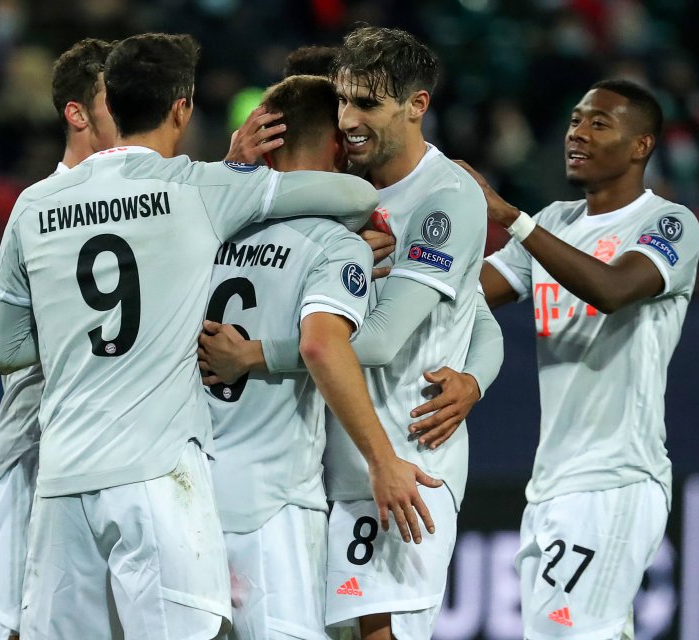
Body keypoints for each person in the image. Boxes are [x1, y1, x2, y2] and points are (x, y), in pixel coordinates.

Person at [0, 32, 380, 639]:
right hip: (156, 474)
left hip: (62, 480)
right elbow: (354, 193)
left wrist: (76, 335)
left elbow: (5, 350)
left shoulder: (34, 204)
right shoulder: (199, 189)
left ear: (108, 106)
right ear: (182, 107)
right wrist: (238, 175)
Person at [200, 27, 499, 640]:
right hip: (323, 464)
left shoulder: (445, 198)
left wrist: (256, 355)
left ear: (416, 105)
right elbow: (480, 316)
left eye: (367, 104)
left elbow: (385, 339)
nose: (350, 120)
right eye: (343, 101)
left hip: (398, 465)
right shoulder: (342, 194)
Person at [468, 79, 699, 640]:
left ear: (641, 145)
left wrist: (511, 218)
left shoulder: (668, 223)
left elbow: (614, 288)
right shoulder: (556, 222)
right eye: (575, 120)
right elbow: (469, 294)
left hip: (616, 477)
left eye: (599, 123)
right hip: (552, 482)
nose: (578, 133)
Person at [0, 36, 116, 640]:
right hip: (36, 456)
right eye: (115, 99)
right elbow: (5, 347)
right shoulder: (38, 210)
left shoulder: (161, 202)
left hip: (124, 462)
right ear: (76, 113)